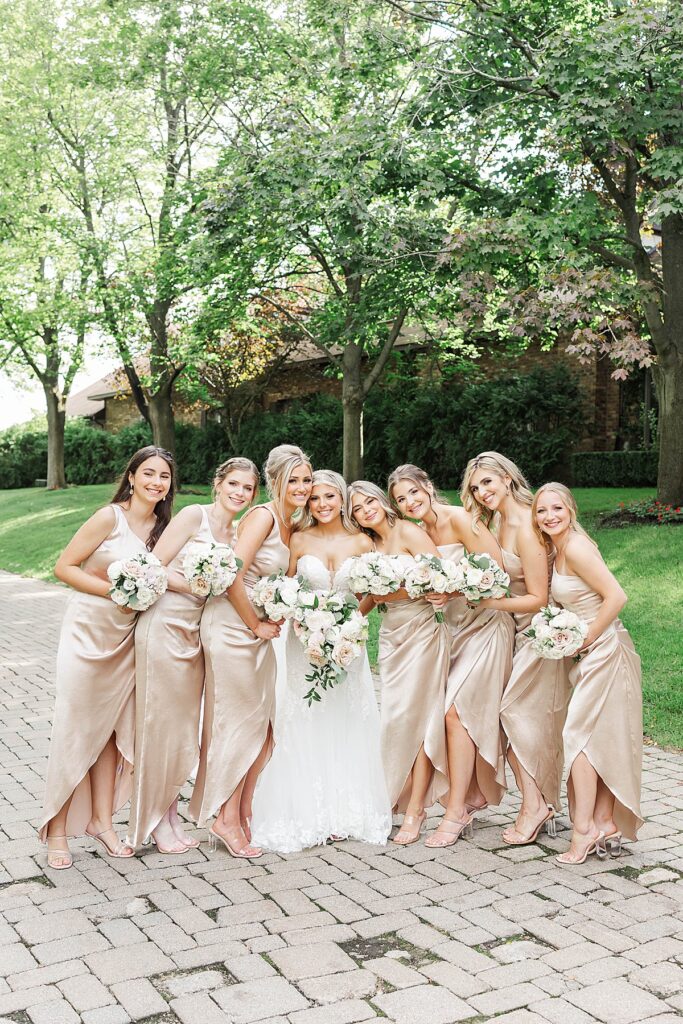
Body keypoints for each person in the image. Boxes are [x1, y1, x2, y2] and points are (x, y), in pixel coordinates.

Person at [40, 446, 175, 869]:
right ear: (131, 477)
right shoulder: (108, 517)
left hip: (130, 639)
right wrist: (115, 590)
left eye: (165, 476)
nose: (156, 482)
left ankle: (102, 822)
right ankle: (56, 829)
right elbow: (65, 567)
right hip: (88, 634)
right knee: (76, 730)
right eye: (148, 473)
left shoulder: (163, 528)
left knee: (115, 736)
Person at [252, 471, 392, 851]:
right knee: (307, 715)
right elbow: (290, 586)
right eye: (315, 498)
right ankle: (307, 808)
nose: (323, 504)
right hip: (304, 641)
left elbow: (374, 591)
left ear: (342, 499)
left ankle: (346, 810)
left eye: (330, 496)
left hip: (349, 642)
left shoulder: (363, 541)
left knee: (346, 715)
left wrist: (352, 622)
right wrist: (303, 619)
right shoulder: (298, 538)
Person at [128, 457, 259, 853]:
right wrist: (196, 585)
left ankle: (168, 815)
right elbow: (151, 567)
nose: (239, 493)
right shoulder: (193, 516)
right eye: (233, 484)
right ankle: (152, 820)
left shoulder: (237, 532)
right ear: (217, 483)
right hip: (166, 626)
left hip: (198, 636)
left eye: (248, 488)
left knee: (183, 729)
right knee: (160, 723)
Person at [189, 444, 312, 858]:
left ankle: (242, 811)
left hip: (258, 632)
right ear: (275, 481)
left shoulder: (291, 523)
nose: (301, 487)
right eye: (292, 479)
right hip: (232, 627)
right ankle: (223, 817)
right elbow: (230, 574)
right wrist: (255, 622)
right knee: (240, 723)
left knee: (263, 729)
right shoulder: (262, 517)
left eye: (306, 479)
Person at [388, 464, 512, 848]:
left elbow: (500, 573)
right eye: (400, 499)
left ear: (428, 486)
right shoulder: (413, 533)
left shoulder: (460, 520)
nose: (409, 502)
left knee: (453, 714)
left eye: (413, 492)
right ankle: (469, 795)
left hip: (488, 625)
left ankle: (455, 810)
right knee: (451, 715)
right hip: (451, 633)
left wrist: (454, 592)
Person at [533, 482, 643, 865]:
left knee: (578, 736)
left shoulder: (577, 547)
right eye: (542, 510)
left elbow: (617, 596)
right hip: (585, 654)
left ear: (571, 509)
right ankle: (603, 821)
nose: (549, 516)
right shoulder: (558, 548)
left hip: (604, 651)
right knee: (599, 738)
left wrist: (586, 638)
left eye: (556, 509)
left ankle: (583, 831)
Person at [463, 452, 567, 845]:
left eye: (488, 482)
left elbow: (539, 597)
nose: (482, 492)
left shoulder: (525, 523)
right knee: (513, 717)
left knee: (512, 713)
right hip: (512, 631)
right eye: (475, 487)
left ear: (507, 478)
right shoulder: (497, 521)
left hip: (538, 632)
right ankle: (537, 802)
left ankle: (535, 806)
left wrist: (488, 602)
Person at [349, 481, 450, 846]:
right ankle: (395, 795)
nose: (366, 510)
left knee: (419, 719)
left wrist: (388, 591)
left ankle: (415, 810)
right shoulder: (369, 546)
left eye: (369, 501)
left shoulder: (409, 531)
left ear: (382, 500)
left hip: (423, 631)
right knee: (396, 720)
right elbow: (372, 599)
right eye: (358, 509)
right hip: (392, 636)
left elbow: (440, 580)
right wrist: (343, 624)